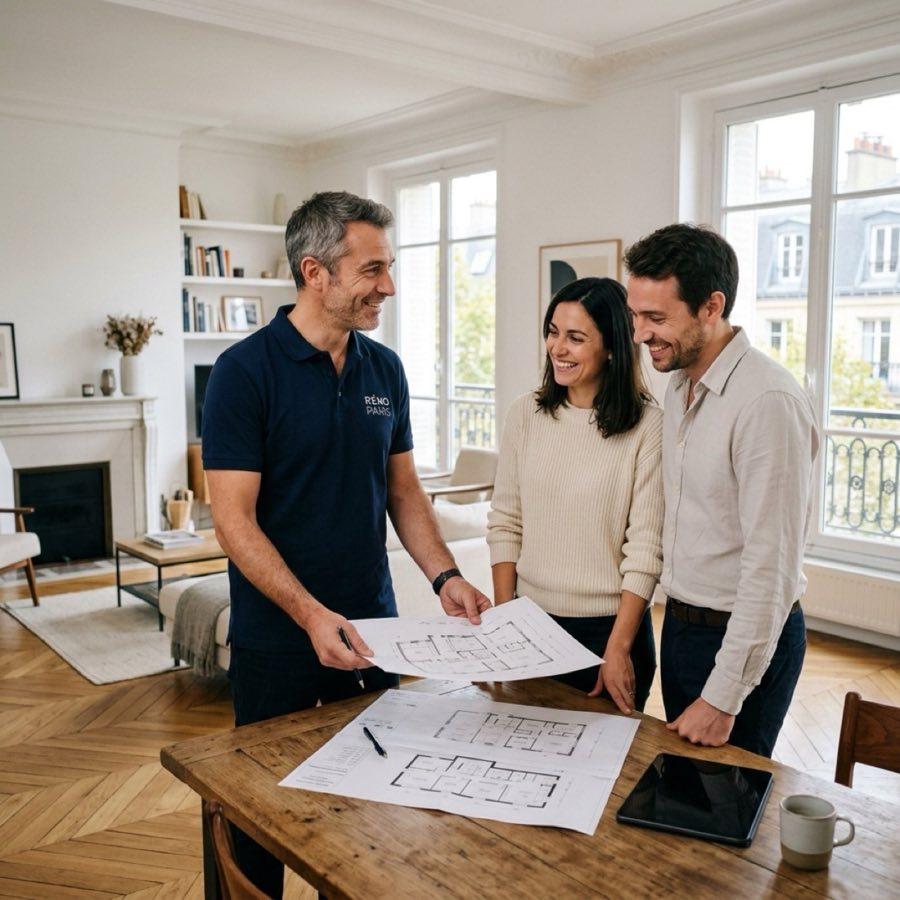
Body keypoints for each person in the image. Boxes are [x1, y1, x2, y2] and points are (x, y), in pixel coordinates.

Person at [202, 190, 490, 896]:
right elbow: (234, 520)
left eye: (388, 268)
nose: (387, 286)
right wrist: (308, 614)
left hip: (373, 634)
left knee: (372, 817)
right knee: (256, 817)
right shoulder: (244, 372)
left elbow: (404, 493)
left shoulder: (383, 370)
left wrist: (445, 576)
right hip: (277, 641)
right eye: (371, 270)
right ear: (315, 271)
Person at [624, 223, 819, 758]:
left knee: (729, 814)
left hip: (746, 640)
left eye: (657, 318)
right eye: (636, 315)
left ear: (712, 306)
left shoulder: (767, 402)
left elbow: (771, 567)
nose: (640, 334)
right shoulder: (680, 381)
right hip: (683, 628)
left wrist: (725, 694)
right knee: (687, 796)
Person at [487, 277, 663, 714]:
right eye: (552, 332)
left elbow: (646, 549)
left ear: (612, 347)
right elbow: (506, 520)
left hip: (608, 635)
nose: (557, 348)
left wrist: (618, 648)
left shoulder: (649, 427)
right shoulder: (525, 414)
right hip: (528, 623)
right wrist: (504, 621)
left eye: (575, 338)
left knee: (603, 775)